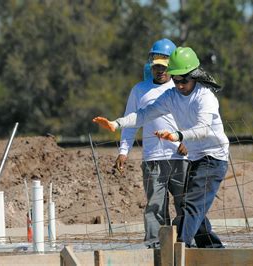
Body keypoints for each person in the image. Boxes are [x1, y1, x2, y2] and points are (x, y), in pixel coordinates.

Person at [93, 47, 229, 248]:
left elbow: (204, 129)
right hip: (195, 158)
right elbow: (144, 114)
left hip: (214, 157)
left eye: (184, 80)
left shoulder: (204, 97)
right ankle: (213, 250)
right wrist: (117, 124)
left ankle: (179, 248)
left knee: (190, 206)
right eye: (176, 80)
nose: (180, 85)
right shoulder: (171, 96)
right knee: (193, 208)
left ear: (195, 76)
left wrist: (177, 136)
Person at [113, 38, 189, 249]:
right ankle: (155, 246)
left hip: (180, 157)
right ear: (151, 65)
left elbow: (194, 119)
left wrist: (188, 140)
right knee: (155, 205)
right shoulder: (139, 90)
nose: (160, 71)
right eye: (156, 66)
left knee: (184, 203)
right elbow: (130, 123)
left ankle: (183, 241)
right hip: (153, 159)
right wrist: (123, 152)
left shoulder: (181, 87)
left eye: (164, 67)